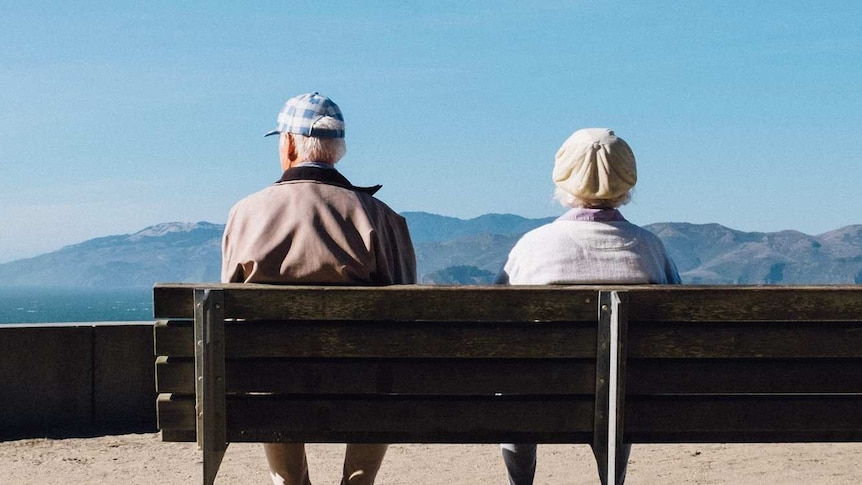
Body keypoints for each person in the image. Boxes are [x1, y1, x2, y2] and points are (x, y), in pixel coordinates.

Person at [221, 92, 416, 485]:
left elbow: (229, 312)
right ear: (336, 150)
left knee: (267, 368)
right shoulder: (382, 218)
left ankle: (291, 481)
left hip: (273, 384)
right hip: (362, 386)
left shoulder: (246, 214)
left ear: (290, 143)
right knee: (382, 369)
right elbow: (407, 313)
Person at [496, 128, 680, 485]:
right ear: (628, 180)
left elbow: (496, 325)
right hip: (628, 402)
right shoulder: (651, 249)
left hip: (540, 397)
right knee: (616, 382)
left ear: (563, 178)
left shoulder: (533, 247)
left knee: (515, 380)